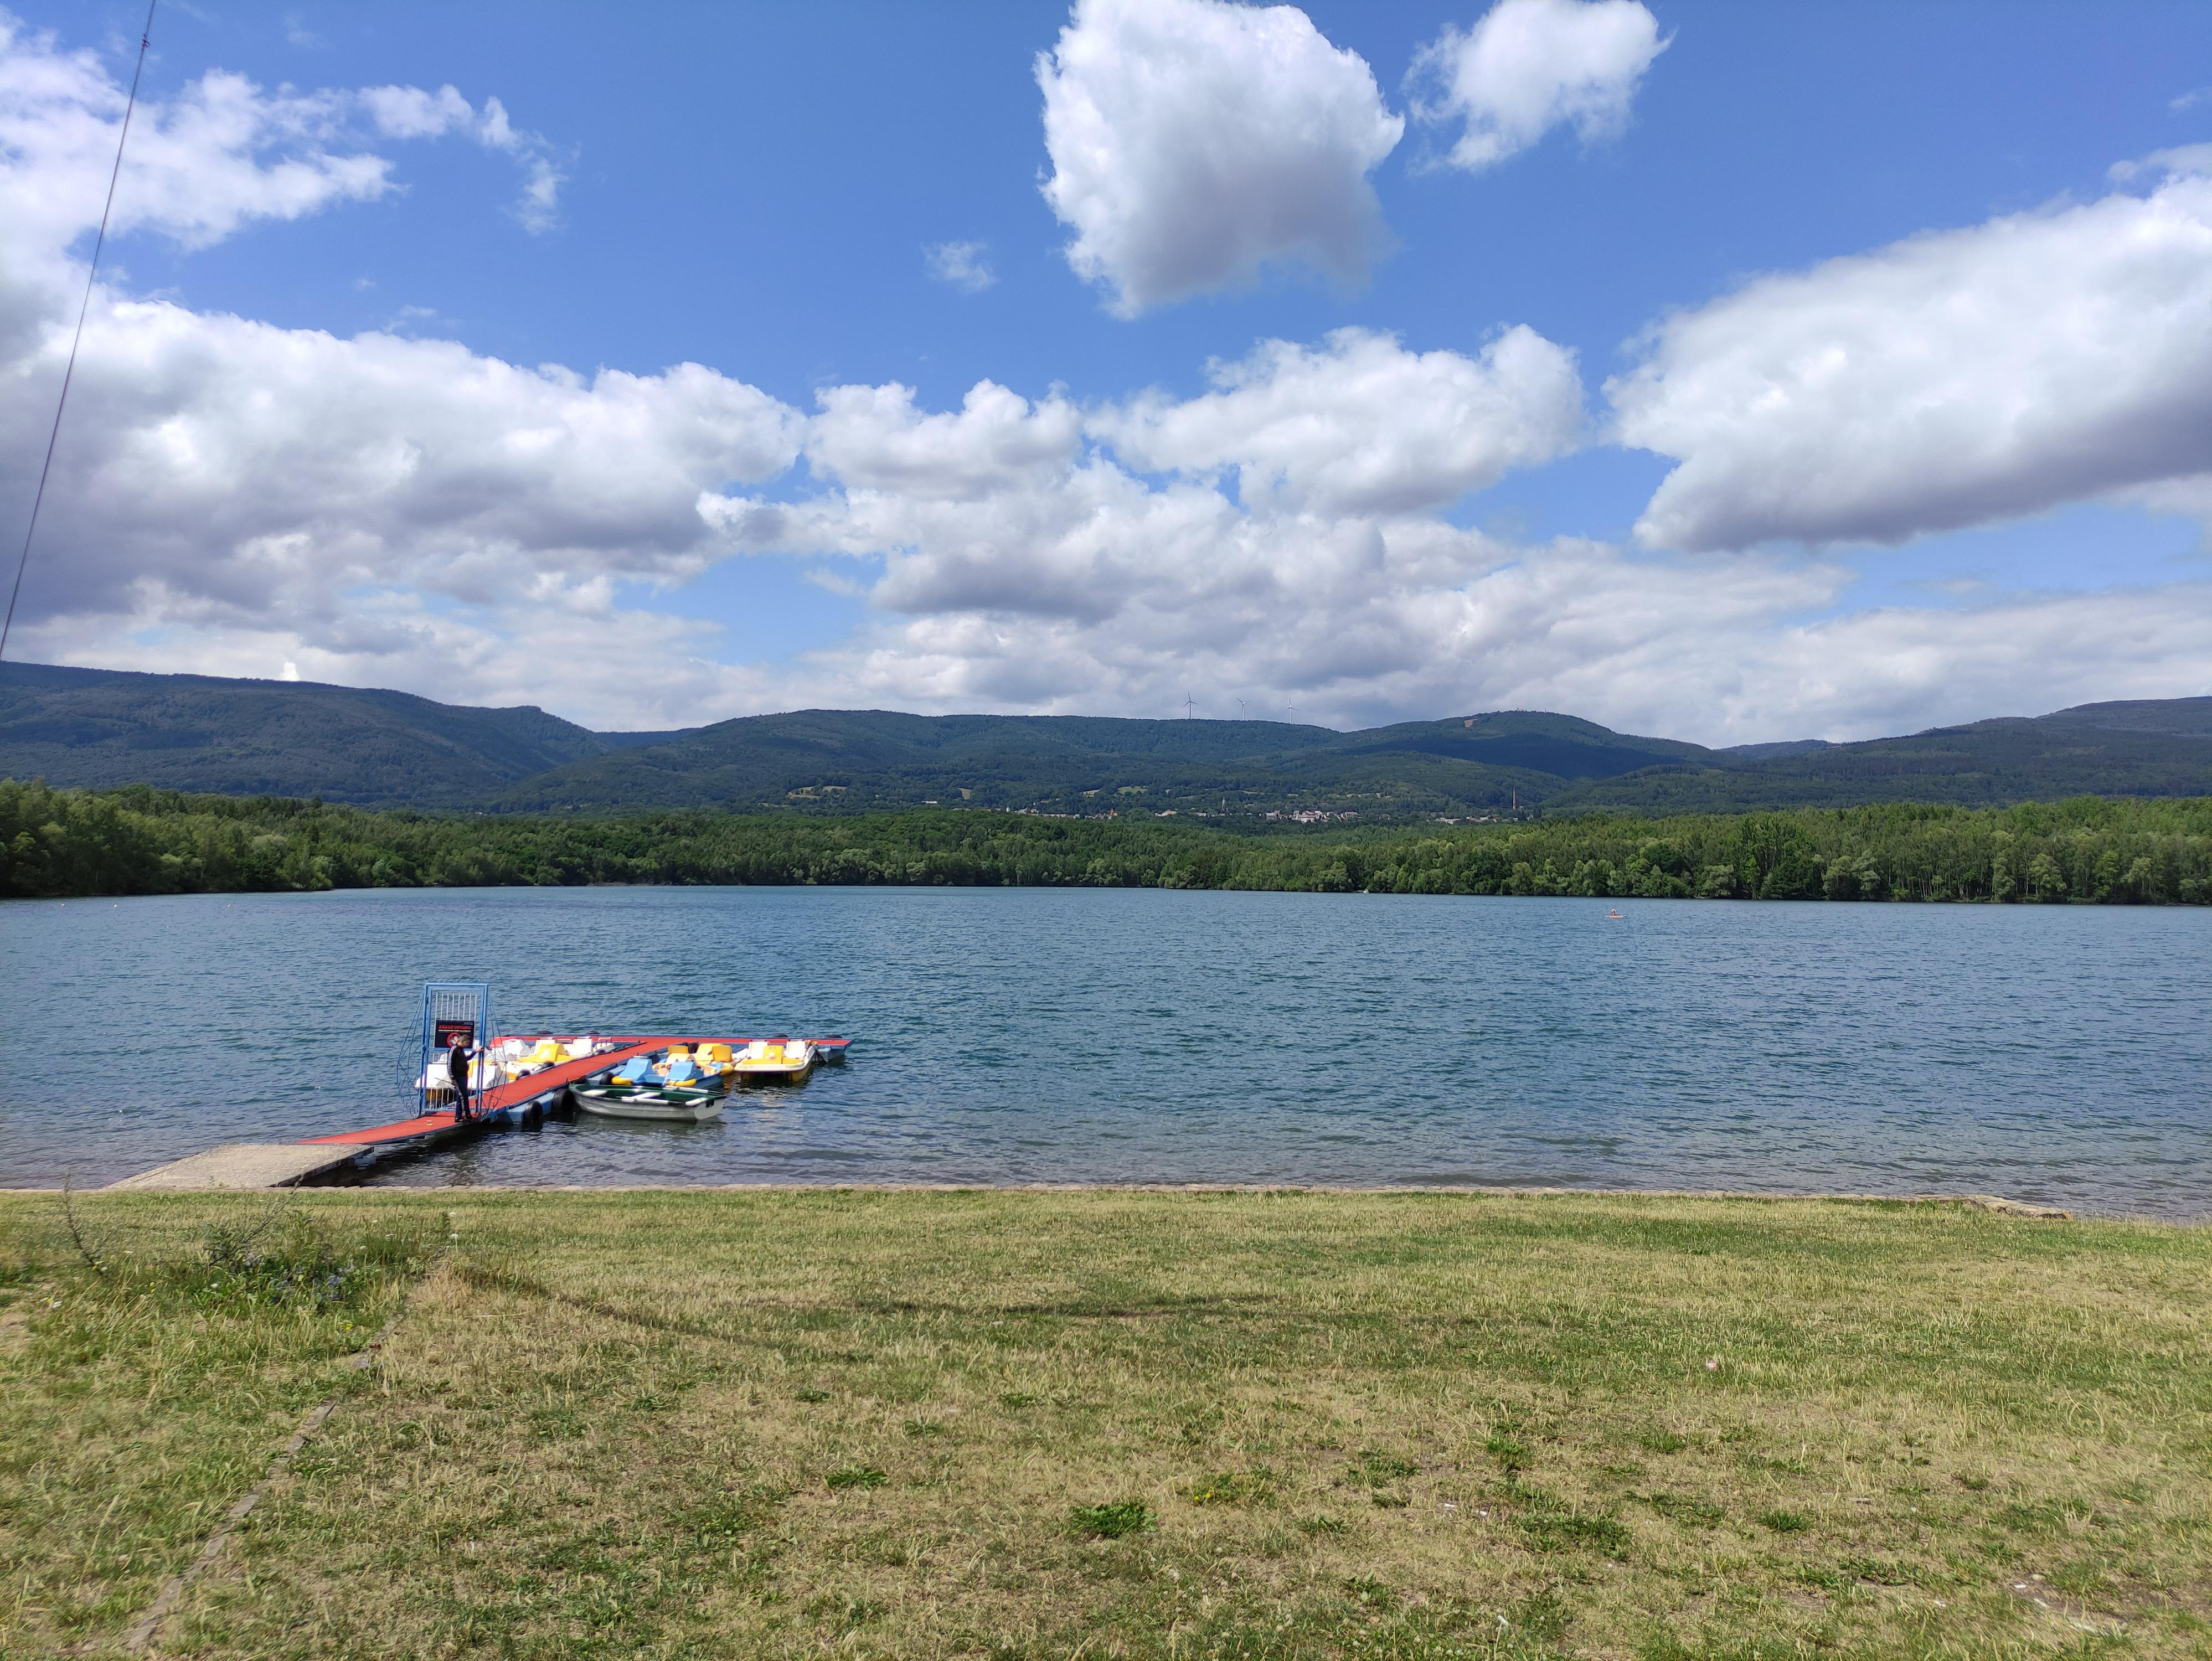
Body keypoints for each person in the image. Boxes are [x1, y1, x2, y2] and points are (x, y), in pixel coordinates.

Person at [446, 1030, 475, 1120]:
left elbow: (466, 1059)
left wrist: (475, 1052)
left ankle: (462, 1115)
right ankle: (464, 1115)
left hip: (463, 1075)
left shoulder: (461, 1050)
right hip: (457, 1077)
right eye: (467, 1043)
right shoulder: (454, 1050)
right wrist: (453, 1077)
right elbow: (450, 1064)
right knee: (463, 1096)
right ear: (462, 1042)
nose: (468, 1045)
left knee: (462, 1096)